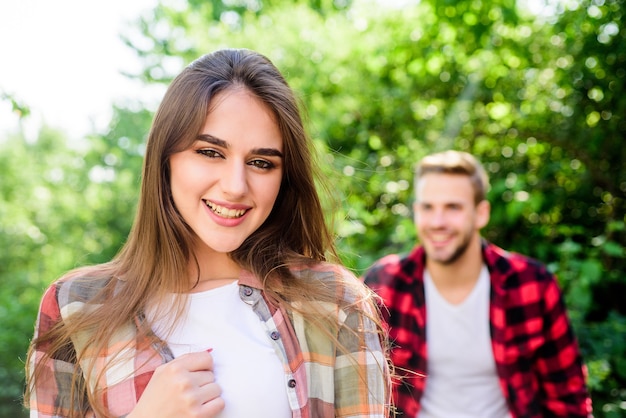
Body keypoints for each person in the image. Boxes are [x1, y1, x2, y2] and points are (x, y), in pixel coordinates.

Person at [25, 48, 391, 418]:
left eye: (261, 163)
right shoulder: (77, 306)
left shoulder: (333, 303)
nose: (235, 186)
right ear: (165, 157)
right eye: (211, 152)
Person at [363, 150, 592, 417]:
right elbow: (354, 386)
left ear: (481, 214)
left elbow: (567, 397)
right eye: (427, 207)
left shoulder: (531, 284)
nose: (437, 222)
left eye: (453, 207)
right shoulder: (384, 284)